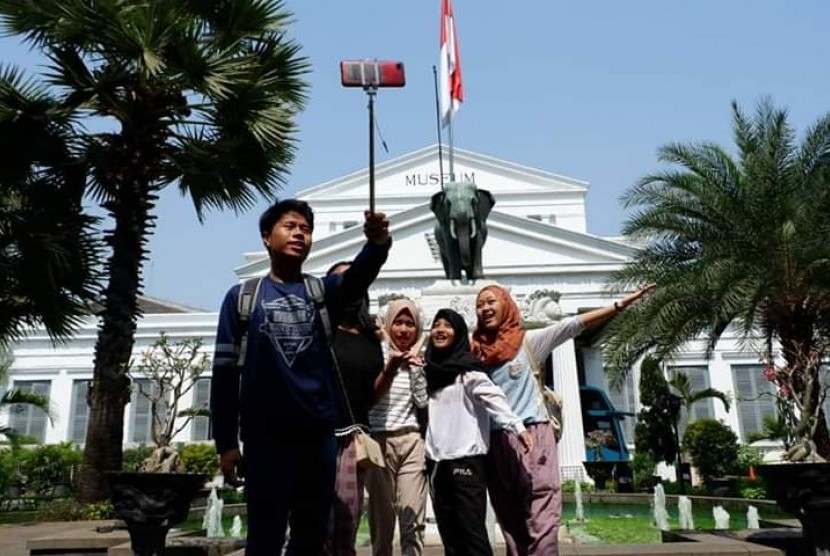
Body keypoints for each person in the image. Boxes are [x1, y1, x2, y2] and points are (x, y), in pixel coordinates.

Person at [210, 199, 391, 555]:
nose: (299, 234)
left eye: (306, 230)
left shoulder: (322, 293)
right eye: (290, 226)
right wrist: (227, 444)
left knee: (310, 537)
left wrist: (377, 243)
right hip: (265, 440)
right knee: (264, 536)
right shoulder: (243, 298)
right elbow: (224, 375)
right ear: (267, 237)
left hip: (317, 438)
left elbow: (358, 276)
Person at [471, 284, 655, 556]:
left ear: (506, 304)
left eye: (491, 301)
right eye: (480, 305)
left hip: (534, 435)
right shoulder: (476, 352)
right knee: (509, 521)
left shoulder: (529, 341)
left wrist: (620, 305)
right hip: (497, 442)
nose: (485, 308)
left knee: (542, 514)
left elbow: (573, 325)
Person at [424, 308, 533, 556]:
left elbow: (494, 399)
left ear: (459, 332)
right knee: (449, 535)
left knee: (472, 535)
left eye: (447, 326)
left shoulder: (468, 370)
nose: (440, 330)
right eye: (436, 325)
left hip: (466, 461)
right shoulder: (429, 372)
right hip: (436, 464)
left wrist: (516, 426)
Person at [323, 261, 385, 556]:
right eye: (339, 281)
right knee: (313, 524)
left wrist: (395, 365)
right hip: (316, 436)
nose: (347, 286)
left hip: (351, 440)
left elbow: (370, 397)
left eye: (354, 280)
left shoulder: (370, 339)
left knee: (345, 523)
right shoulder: (317, 330)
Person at [366, 298, 428, 556]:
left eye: (410, 324)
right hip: (378, 442)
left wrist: (416, 368)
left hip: (412, 440)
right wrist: (391, 365)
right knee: (382, 521)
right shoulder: (375, 353)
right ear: (389, 325)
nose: (404, 330)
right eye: (398, 323)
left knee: (412, 517)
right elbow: (369, 399)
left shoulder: (419, 357)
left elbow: (423, 401)